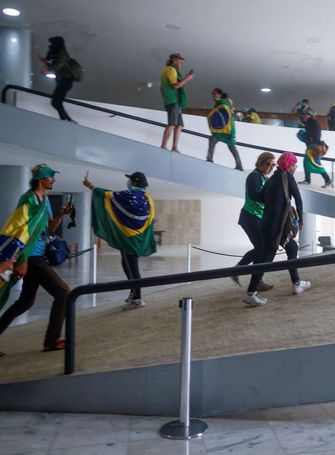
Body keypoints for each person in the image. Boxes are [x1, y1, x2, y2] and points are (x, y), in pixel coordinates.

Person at [0, 164, 73, 357]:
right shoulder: (28, 199)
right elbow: (19, 230)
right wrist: (22, 259)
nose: (53, 180)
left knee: (25, 302)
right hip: (30, 257)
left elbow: (50, 227)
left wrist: (61, 215)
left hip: (38, 256)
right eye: (51, 178)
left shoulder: (45, 200)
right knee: (63, 291)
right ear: (42, 179)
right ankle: (51, 340)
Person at [242, 152, 310, 306]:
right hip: (276, 226)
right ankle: (251, 293)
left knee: (292, 248)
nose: (295, 167)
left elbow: (261, 197)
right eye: (294, 165)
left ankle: (297, 283)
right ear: (289, 165)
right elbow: (298, 199)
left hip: (267, 223)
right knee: (266, 258)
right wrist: (300, 219)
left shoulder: (272, 179)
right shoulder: (287, 177)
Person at [83, 171, 156, 310]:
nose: (128, 182)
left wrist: (90, 185)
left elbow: (108, 195)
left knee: (132, 267)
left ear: (134, 182)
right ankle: (133, 292)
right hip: (136, 237)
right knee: (126, 263)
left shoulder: (128, 196)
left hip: (128, 238)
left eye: (130, 180)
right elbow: (150, 219)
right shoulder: (147, 198)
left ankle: (138, 297)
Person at [232, 152, 276, 291]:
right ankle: (243, 273)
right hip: (250, 217)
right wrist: (271, 199)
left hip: (256, 217)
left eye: (273, 165)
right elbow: (253, 194)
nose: (271, 167)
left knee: (261, 249)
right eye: (268, 164)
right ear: (260, 163)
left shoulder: (263, 177)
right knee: (261, 248)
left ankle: (253, 277)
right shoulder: (254, 176)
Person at [160, 53, 193, 153]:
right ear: (174, 61)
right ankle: (163, 145)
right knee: (172, 124)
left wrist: (166, 98)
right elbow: (175, 86)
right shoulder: (171, 70)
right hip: (173, 101)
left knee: (179, 125)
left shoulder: (169, 70)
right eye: (180, 61)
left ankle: (174, 147)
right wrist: (187, 79)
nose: (181, 64)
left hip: (174, 101)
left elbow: (161, 88)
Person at [39, 36, 75, 122]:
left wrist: (48, 68)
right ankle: (68, 120)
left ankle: (66, 120)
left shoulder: (62, 52)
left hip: (66, 80)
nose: (50, 45)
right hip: (62, 81)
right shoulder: (54, 51)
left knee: (56, 102)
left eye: (51, 43)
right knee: (56, 102)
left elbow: (59, 64)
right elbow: (54, 63)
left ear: (56, 44)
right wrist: (46, 63)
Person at [205, 88, 243, 170]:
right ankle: (209, 158)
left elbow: (227, 114)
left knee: (231, 146)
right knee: (213, 139)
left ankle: (239, 165)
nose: (213, 96)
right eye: (212, 94)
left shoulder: (224, 103)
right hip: (223, 130)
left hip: (227, 129)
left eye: (215, 94)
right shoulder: (220, 104)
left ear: (220, 94)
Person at [298, 109, 333, 188]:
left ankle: (327, 180)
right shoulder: (310, 123)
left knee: (315, 163)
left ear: (310, 115)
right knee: (307, 162)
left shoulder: (312, 122)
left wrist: (309, 140)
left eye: (305, 114)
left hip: (313, 146)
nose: (304, 116)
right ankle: (307, 180)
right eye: (303, 114)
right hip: (313, 145)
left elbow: (315, 134)